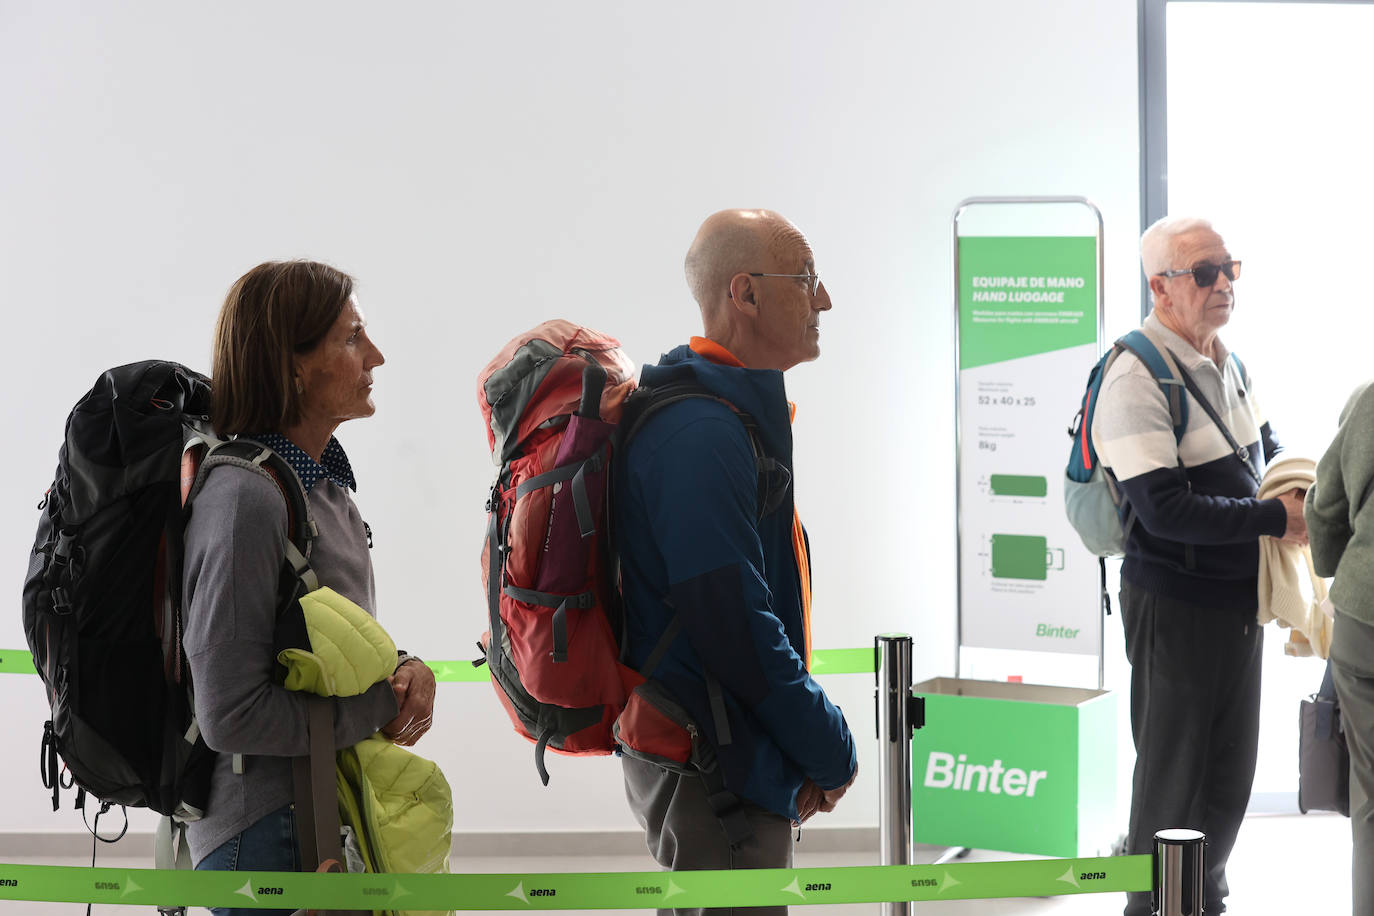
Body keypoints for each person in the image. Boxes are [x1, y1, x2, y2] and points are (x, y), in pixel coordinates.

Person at [614, 209, 858, 916]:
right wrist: (826, 745)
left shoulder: (720, 417)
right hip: (715, 768)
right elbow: (733, 621)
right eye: (806, 280)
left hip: (723, 750)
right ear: (745, 294)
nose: (825, 300)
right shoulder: (702, 433)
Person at [182, 260, 436, 914]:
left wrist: (402, 670)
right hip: (264, 836)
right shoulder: (244, 498)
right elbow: (229, 714)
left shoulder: (321, 490)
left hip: (315, 814)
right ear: (291, 365)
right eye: (351, 339)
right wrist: (378, 708)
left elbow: (312, 644)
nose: (375, 355)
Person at [1091, 216, 1307, 916]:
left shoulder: (1229, 362)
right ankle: (1149, 908)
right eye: (1203, 273)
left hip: (1236, 602)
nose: (1223, 285)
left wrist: (1295, 490)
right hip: (1176, 607)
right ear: (1160, 287)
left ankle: (1202, 900)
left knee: (1227, 777)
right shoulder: (1134, 373)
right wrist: (1278, 519)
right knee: (1171, 785)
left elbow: (1261, 455)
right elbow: (1165, 511)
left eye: (1228, 269)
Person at [1305, 379, 1374, 916]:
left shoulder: (1371, 396)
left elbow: (1327, 502)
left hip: (1366, 616)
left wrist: (1335, 567)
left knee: (1371, 800)